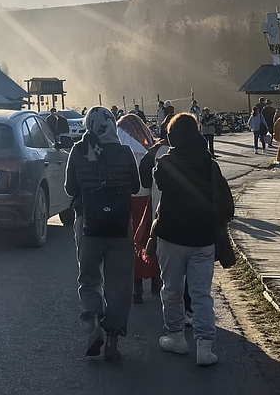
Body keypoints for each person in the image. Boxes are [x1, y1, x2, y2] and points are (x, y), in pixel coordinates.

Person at [143, 113, 231, 367]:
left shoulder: (166, 163)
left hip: (171, 236)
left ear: (173, 136)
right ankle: (205, 345)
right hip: (203, 238)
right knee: (201, 293)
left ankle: (176, 337)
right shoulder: (209, 163)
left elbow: (157, 183)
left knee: (171, 289)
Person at [65, 106, 140, 362]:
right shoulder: (124, 151)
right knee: (119, 285)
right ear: (111, 124)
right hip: (119, 225)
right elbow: (136, 186)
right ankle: (112, 342)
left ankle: (94, 320)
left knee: (89, 278)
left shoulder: (78, 150)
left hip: (87, 223)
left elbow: (69, 188)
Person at [116, 114, 160, 304]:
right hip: (148, 200)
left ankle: (137, 290)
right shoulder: (149, 146)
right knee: (151, 240)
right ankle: (157, 284)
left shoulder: (119, 144)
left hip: (127, 200)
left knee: (131, 244)